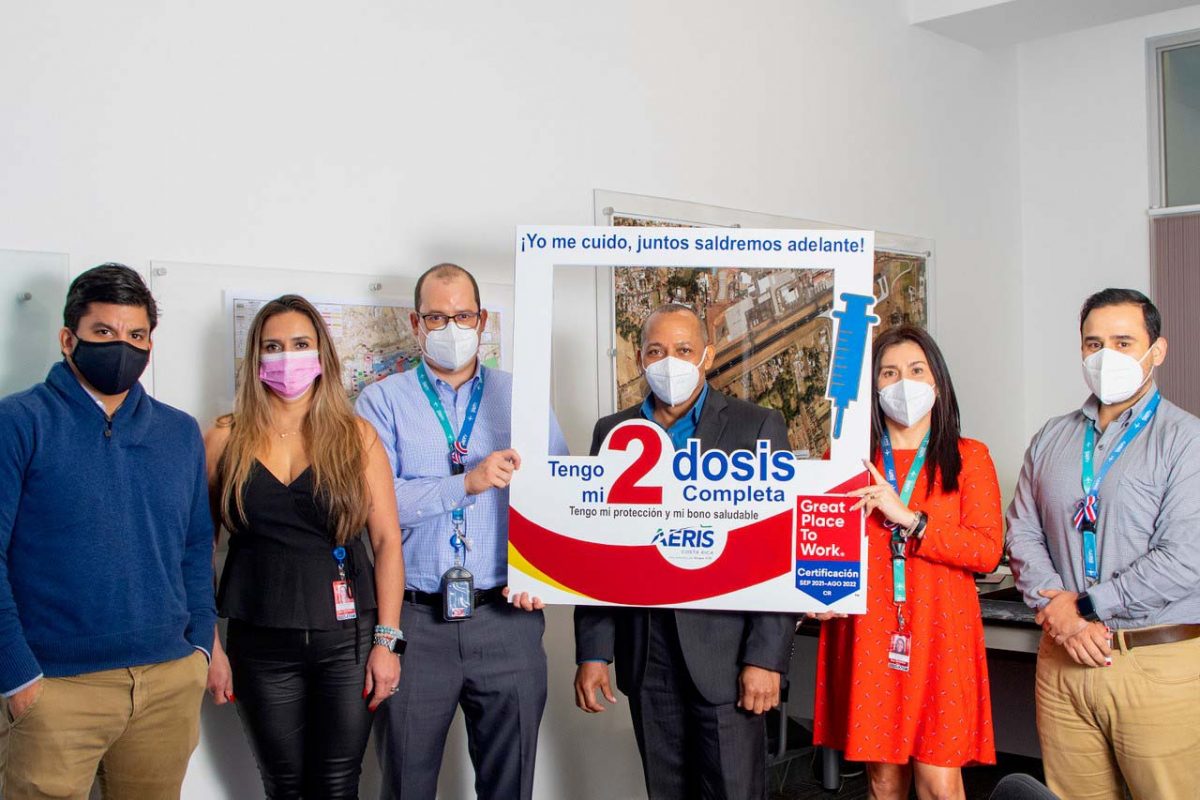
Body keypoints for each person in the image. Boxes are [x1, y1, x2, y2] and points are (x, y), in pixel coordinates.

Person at [0, 264, 215, 799]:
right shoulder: (18, 422)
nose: (123, 347)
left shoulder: (179, 432)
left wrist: (200, 649)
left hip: (167, 683)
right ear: (67, 339)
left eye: (136, 335)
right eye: (104, 331)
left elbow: (194, 547)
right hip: (56, 688)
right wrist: (17, 675)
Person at [356, 263, 566, 800]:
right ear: (416, 324)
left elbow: (558, 496)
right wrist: (465, 483)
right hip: (414, 622)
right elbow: (378, 507)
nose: (452, 328)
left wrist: (544, 574)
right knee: (406, 784)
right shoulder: (381, 402)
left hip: (507, 619)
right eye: (436, 317)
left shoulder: (521, 398)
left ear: (483, 320)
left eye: (464, 315)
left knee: (510, 784)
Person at [573, 303, 795, 800]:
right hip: (646, 654)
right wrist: (593, 651)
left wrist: (767, 658)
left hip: (729, 658)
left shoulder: (756, 426)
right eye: (656, 351)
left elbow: (778, 551)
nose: (669, 361)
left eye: (683, 349)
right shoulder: (612, 433)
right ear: (639, 358)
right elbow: (598, 547)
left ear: (707, 357)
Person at [203, 295, 404, 799]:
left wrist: (388, 643)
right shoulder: (225, 439)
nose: (286, 357)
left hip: (349, 642)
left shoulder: (357, 437)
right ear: (255, 357)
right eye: (272, 346)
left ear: (322, 354)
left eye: (299, 344)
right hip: (259, 642)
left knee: (337, 786)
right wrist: (210, 646)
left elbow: (386, 542)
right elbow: (198, 550)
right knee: (284, 787)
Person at [1006, 288, 1200, 800]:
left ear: (1157, 351)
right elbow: (1022, 532)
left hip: (1153, 660)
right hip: (1063, 661)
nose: (1105, 355)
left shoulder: (1187, 440)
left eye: (1122, 342)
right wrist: (1064, 617)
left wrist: (1085, 607)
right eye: (1094, 344)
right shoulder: (1051, 437)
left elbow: (1185, 558)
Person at [812, 325, 1003, 800]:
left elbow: (986, 551)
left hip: (943, 633)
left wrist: (912, 520)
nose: (903, 383)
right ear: (873, 387)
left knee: (939, 782)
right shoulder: (845, 461)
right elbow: (819, 547)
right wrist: (813, 593)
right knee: (883, 782)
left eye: (916, 370)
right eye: (889, 373)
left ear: (937, 382)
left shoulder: (969, 457)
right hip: (870, 634)